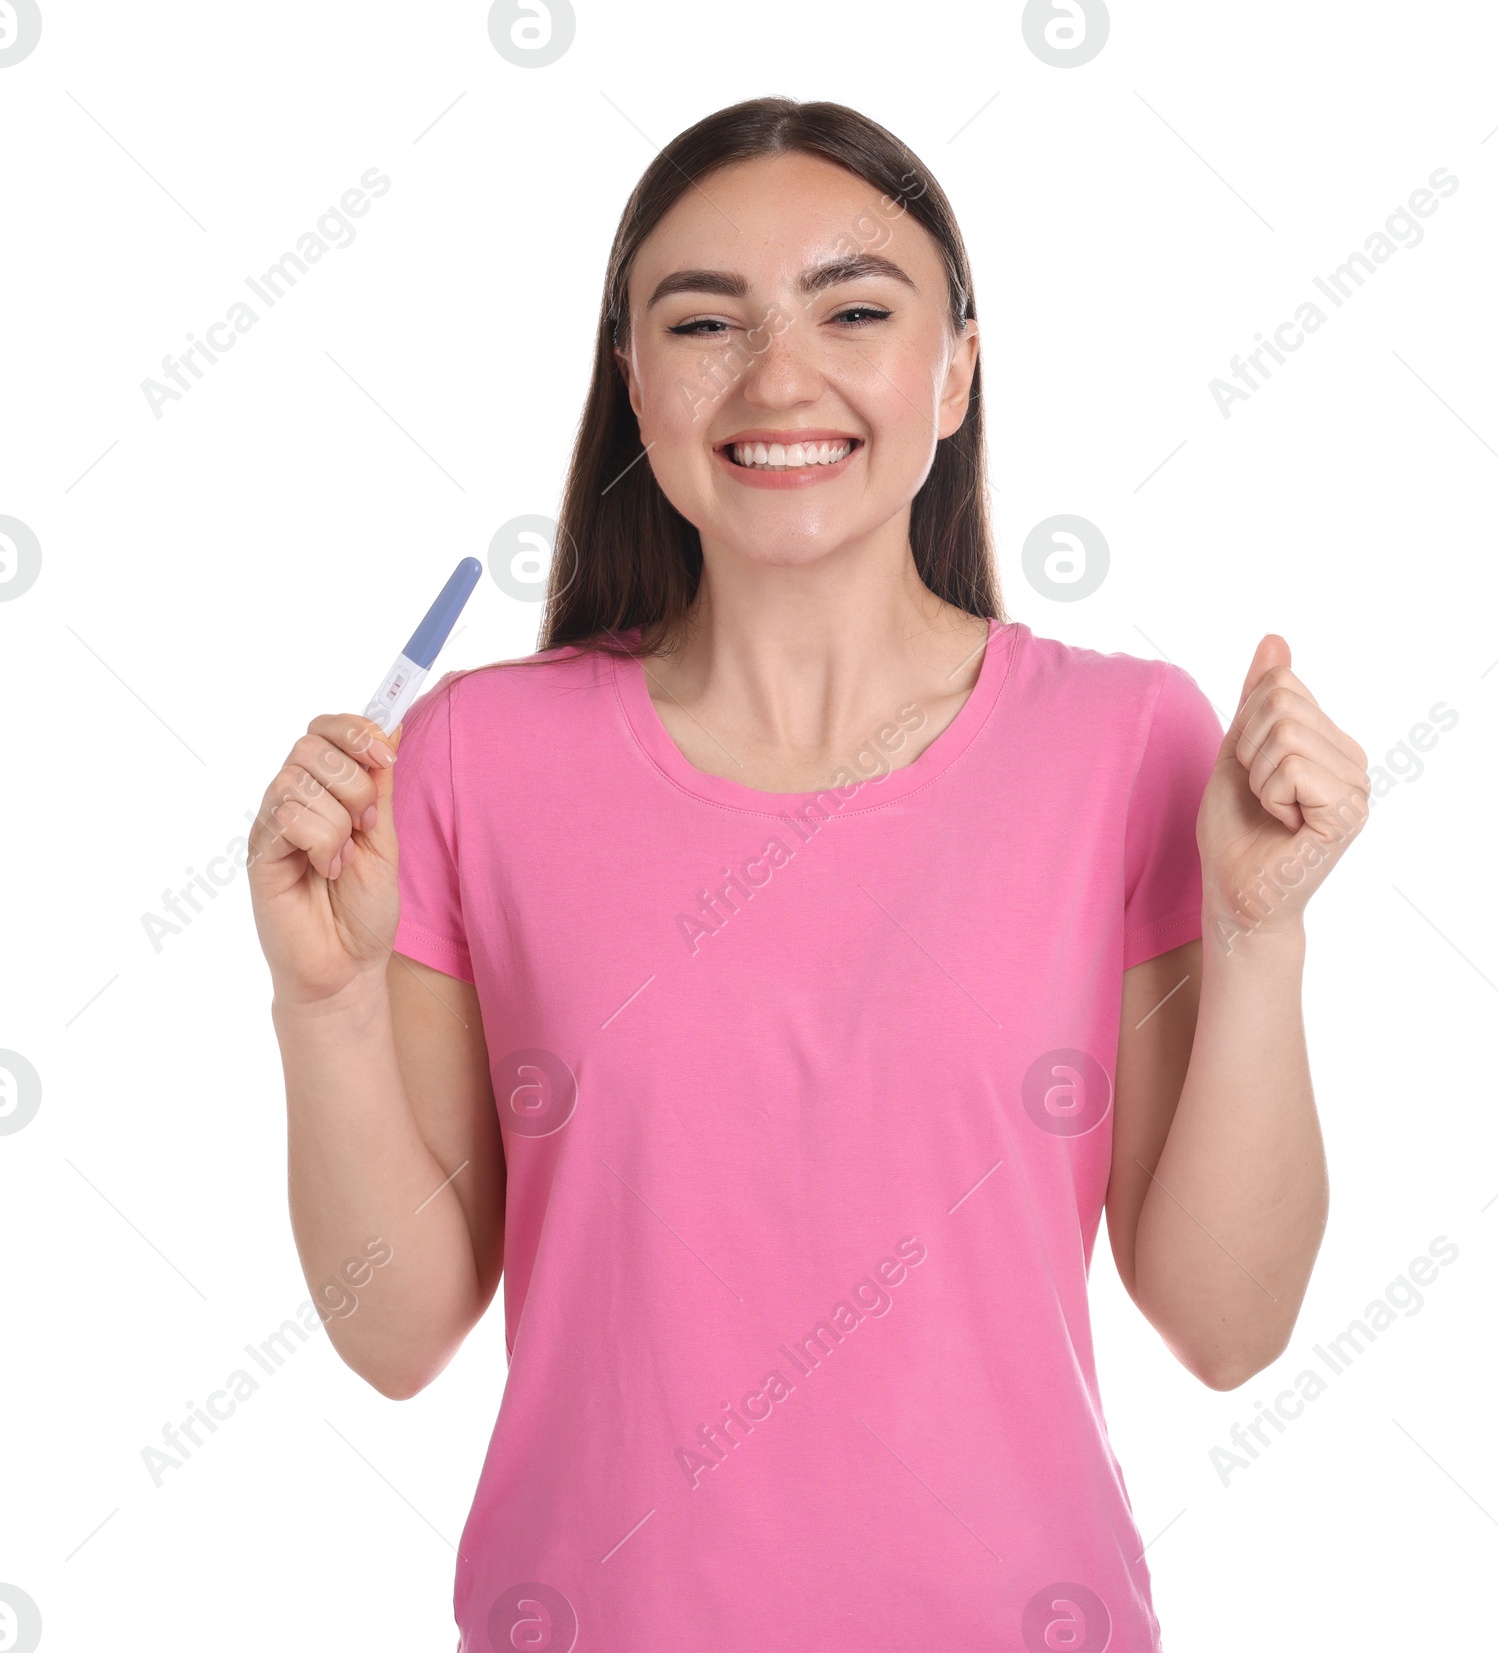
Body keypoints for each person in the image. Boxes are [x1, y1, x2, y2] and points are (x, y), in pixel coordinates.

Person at [247, 96, 1369, 1653]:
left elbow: (1230, 1329)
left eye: (855, 309)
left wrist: (1260, 932)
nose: (781, 377)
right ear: (630, 378)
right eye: (705, 320)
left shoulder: (1126, 744)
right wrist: (325, 1003)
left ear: (957, 366)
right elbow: (396, 1332)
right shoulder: (470, 761)